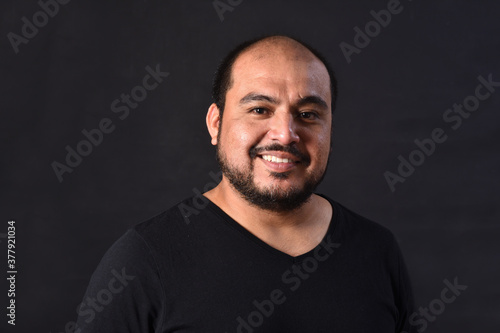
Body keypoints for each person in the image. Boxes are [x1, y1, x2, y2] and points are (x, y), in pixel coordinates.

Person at [76, 35, 415, 332]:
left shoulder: (378, 251)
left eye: (309, 114)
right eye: (259, 109)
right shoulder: (144, 258)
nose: (285, 134)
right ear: (216, 123)